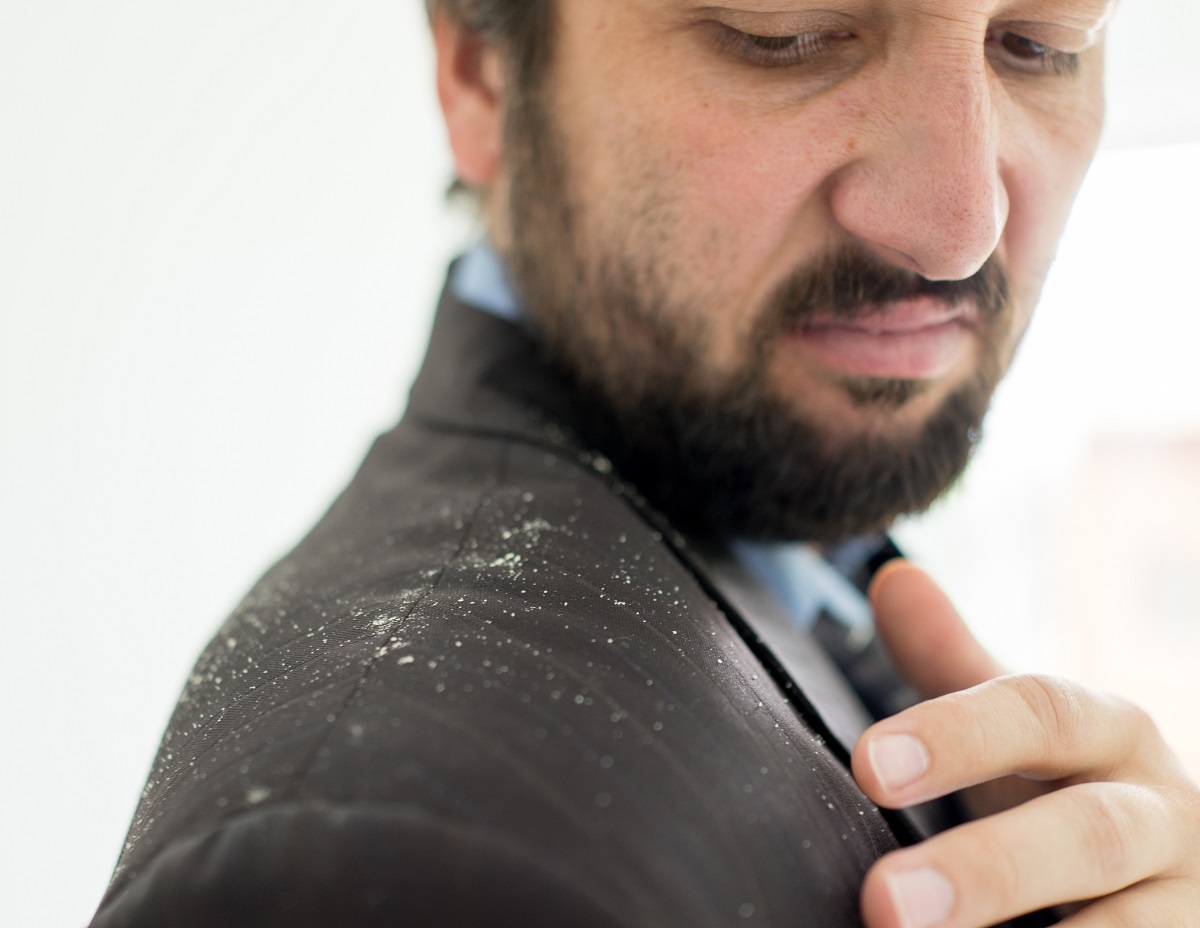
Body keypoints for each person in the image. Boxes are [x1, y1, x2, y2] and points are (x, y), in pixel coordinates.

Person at [90, 1, 1200, 926]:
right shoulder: (375, 862)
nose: (961, 222)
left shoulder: (778, 551)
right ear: (482, 71)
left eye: (1042, 43)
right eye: (786, 30)